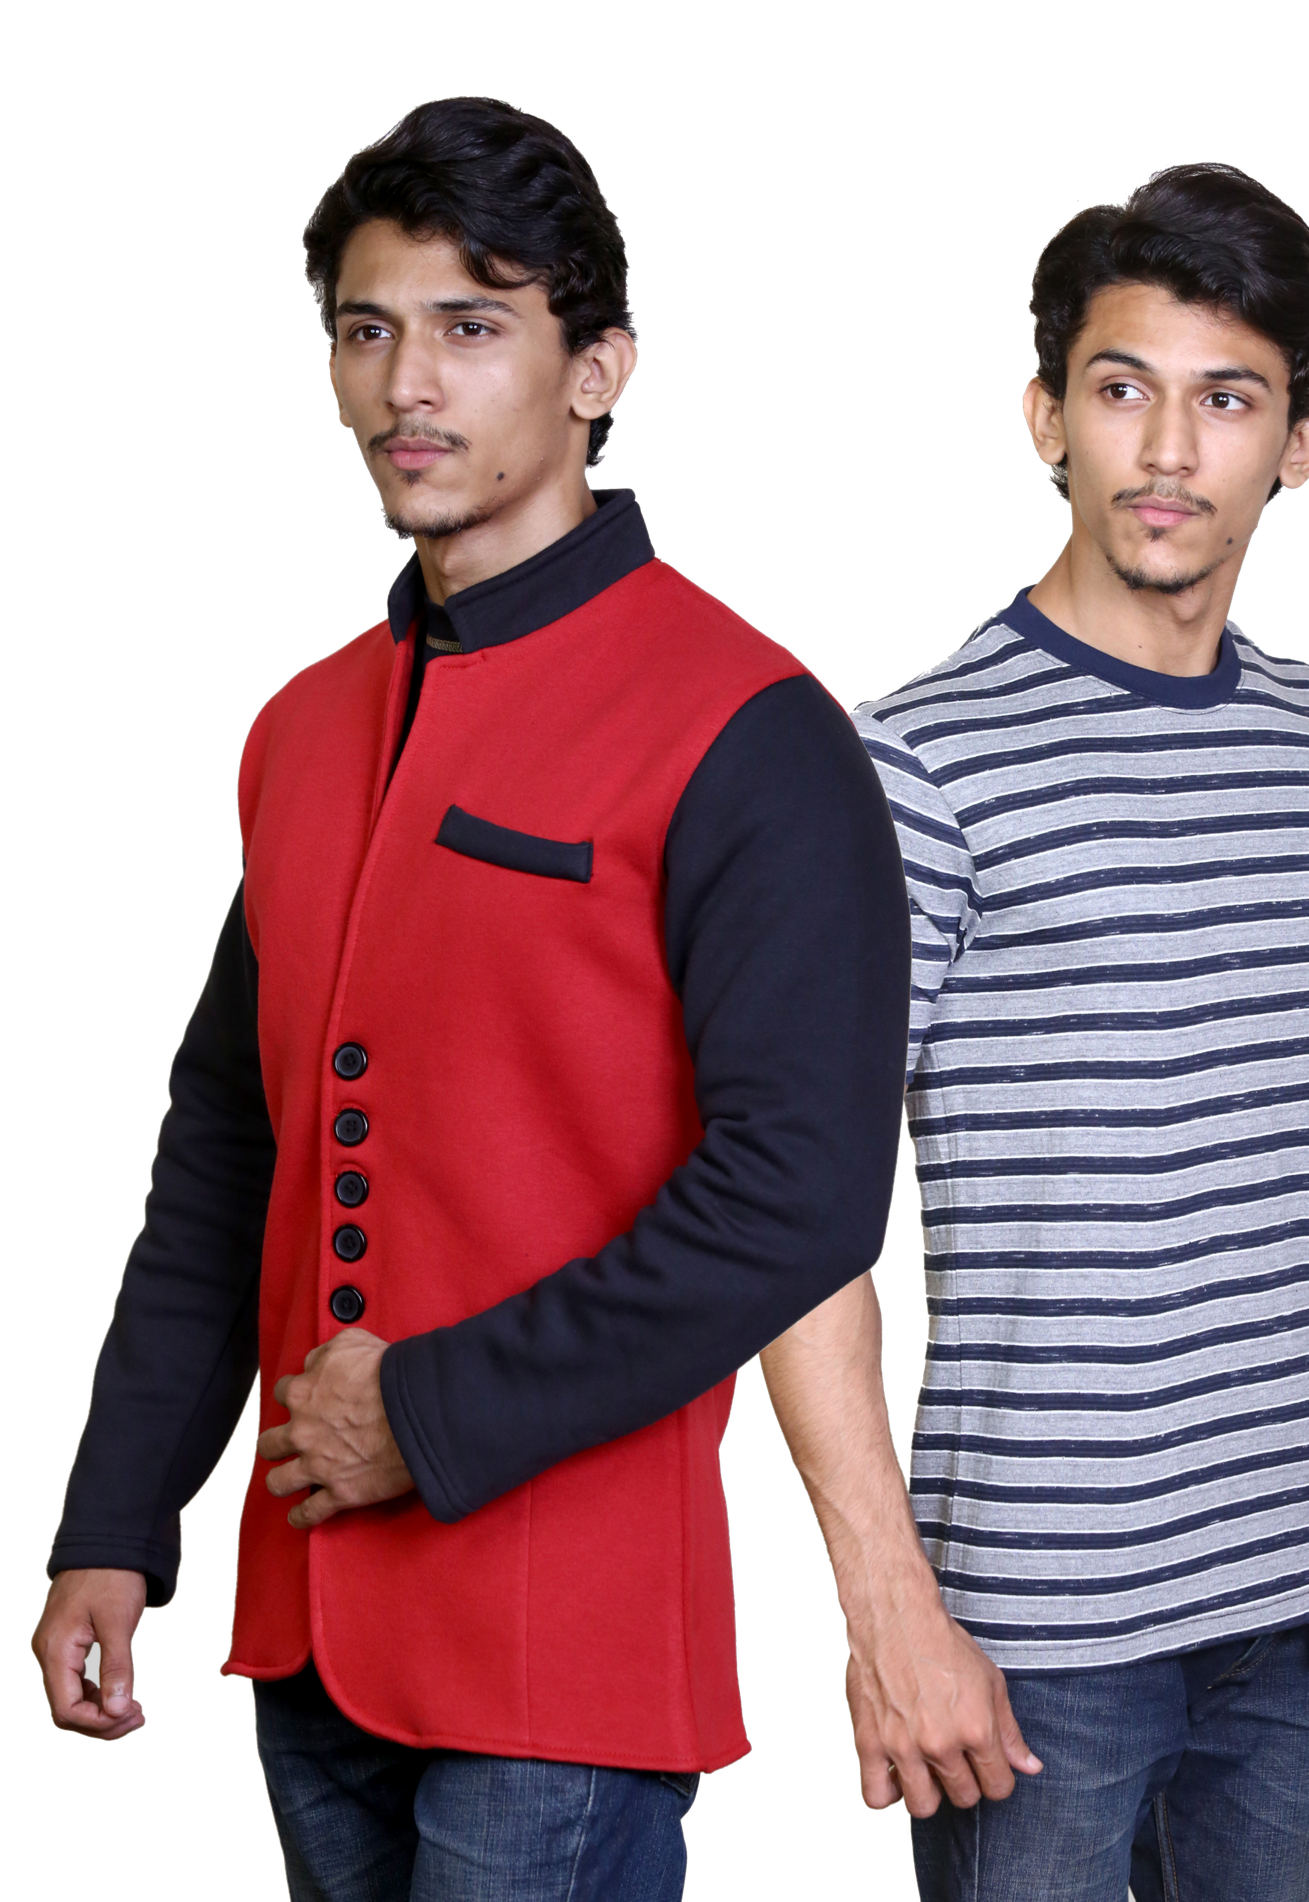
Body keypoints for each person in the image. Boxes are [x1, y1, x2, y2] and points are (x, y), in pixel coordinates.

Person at [31, 96, 910, 1902]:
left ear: (600, 368)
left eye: (471, 324)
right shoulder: (297, 728)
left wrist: (428, 1411)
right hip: (306, 1623)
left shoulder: (753, 726)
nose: (406, 383)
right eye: (367, 329)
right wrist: (117, 1517)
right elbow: (229, 1151)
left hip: (560, 1652)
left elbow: (804, 1195)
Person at [754, 162, 1309, 1901]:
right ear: (1045, 417)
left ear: (1302, 441)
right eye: (1121, 388)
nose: (1167, 450)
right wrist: (890, 1607)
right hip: (1031, 1639)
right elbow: (798, 1216)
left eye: (1227, 399)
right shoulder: (908, 764)